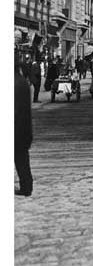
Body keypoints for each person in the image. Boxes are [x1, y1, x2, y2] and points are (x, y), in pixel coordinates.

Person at [14, 64, 33, 196]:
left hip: (16, 127)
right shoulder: (22, 81)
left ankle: (26, 186)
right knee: (22, 160)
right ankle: (27, 186)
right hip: (24, 128)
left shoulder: (13, 83)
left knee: (20, 159)